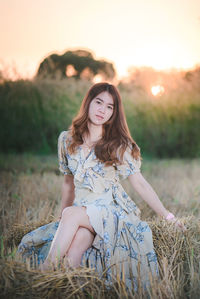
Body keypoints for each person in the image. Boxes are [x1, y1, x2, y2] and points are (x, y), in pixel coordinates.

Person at [18, 82, 185, 291]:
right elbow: (68, 183)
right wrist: (63, 218)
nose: (102, 110)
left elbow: (140, 183)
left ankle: (42, 275)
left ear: (114, 113)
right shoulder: (66, 140)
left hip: (112, 211)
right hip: (82, 212)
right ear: (88, 102)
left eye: (109, 107)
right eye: (98, 102)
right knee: (73, 251)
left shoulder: (118, 144)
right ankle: (73, 290)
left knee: (71, 216)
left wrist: (167, 216)